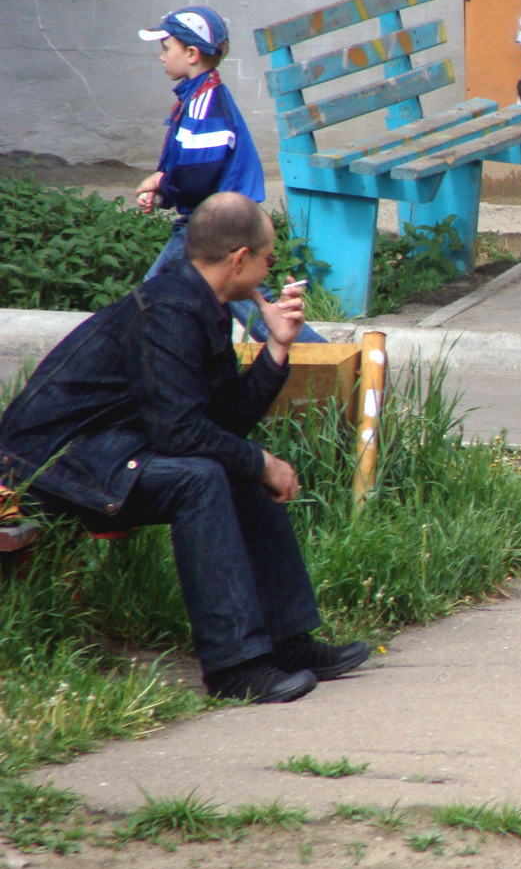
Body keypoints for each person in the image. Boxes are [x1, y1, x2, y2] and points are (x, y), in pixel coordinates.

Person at [0, 193, 368, 703]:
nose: (271, 270)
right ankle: (234, 666)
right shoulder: (169, 310)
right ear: (240, 259)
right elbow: (179, 434)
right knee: (202, 477)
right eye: (269, 259)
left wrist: (277, 349)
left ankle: (288, 642)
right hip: (45, 468)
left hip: (105, 454)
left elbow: (220, 424)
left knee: (233, 466)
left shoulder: (198, 305)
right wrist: (264, 463)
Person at [134, 6, 322, 344]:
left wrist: (159, 183)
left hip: (215, 222)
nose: (161, 57)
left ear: (191, 54)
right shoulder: (198, 96)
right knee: (246, 301)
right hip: (215, 217)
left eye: (166, 48)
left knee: (151, 299)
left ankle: (333, 367)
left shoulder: (205, 103)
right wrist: (164, 192)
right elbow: (188, 166)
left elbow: (196, 178)